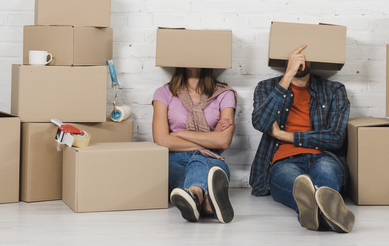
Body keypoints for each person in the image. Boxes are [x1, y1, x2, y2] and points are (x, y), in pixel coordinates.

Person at [249, 45, 355, 233]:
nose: (302, 61)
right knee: (299, 185)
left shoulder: (334, 90)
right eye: (296, 57)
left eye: (306, 56)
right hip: (284, 161)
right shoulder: (266, 88)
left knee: (324, 179)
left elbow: (336, 138)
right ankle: (330, 215)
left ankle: (315, 214)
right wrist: (287, 76)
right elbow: (260, 123)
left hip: (324, 157)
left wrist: (284, 135)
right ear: (285, 59)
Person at [152, 67, 236, 223]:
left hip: (210, 159)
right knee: (186, 171)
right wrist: (210, 138)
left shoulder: (224, 93)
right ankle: (207, 204)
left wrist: (181, 133)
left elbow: (223, 141)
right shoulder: (164, 93)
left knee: (199, 162)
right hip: (175, 160)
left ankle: (194, 194)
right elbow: (162, 140)